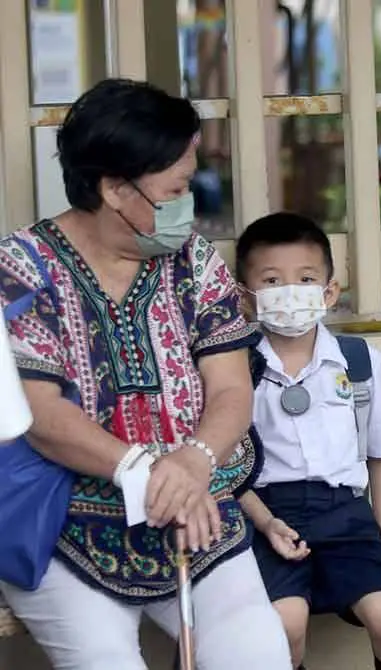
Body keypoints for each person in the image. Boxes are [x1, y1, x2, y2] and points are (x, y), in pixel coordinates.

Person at [0, 78, 291, 668]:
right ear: (113, 189)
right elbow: (41, 416)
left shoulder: (195, 262)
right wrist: (148, 471)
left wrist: (196, 461)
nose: (190, 201)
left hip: (199, 510)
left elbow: (231, 388)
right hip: (64, 529)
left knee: (258, 654)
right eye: (177, 188)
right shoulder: (21, 266)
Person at [235, 213, 381, 670]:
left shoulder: (358, 361)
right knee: (286, 623)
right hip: (268, 515)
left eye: (306, 278)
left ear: (329, 291)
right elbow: (227, 465)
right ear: (246, 298)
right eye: (273, 281)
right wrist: (262, 518)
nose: (290, 291)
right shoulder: (234, 369)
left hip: (347, 515)